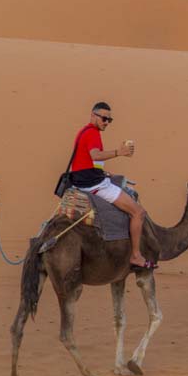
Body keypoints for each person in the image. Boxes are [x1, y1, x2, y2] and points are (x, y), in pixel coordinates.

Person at [68, 101, 149, 269]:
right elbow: (95, 155)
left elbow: (86, 161)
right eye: (104, 118)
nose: (106, 122)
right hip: (94, 184)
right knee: (138, 212)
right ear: (93, 115)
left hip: (84, 179)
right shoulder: (93, 133)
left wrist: (105, 173)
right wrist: (119, 153)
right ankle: (135, 255)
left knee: (117, 180)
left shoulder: (83, 132)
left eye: (109, 120)